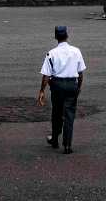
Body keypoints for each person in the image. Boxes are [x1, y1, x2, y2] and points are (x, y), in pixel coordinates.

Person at [36, 25, 85, 154]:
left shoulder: (51, 53)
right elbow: (80, 73)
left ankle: (55, 139)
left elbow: (46, 75)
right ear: (67, 35)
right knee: (69, 115)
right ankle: (67, 144)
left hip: (57, 85)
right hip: (71, 84)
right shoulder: (76, 51)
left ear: (56, 37)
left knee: (56, 112)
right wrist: (78, 87)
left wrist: (42, 91)